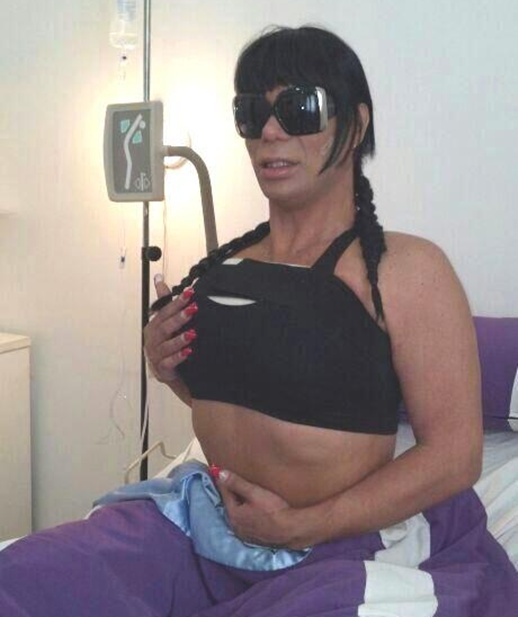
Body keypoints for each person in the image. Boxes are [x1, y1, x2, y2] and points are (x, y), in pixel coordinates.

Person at [2, 24, 517, 617]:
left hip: (342, 544)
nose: (270, 130)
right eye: (252, 112)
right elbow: (246, 404)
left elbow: (454, 455)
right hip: (206, 527)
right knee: (23, 577)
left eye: (298, 108)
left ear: (356, 125)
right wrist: (169, 369)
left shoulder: (405, 270)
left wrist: (303, 524)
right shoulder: (227, 267)